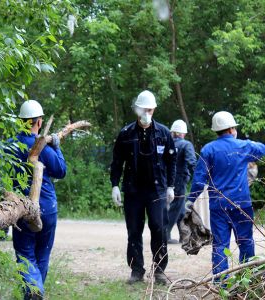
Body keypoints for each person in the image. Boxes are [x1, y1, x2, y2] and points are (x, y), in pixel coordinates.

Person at [186, 111, 265, 279]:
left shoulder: (208, 150)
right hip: (241, 204)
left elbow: (199, 181)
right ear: (230, 129)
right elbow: (262, 149)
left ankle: (221, 284)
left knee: (220, 245)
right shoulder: (244, 146)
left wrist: (190, 200)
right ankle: (247, 279)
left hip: (218, 206)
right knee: (246, 242)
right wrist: (248, 143)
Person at [110, 90, 177, 285]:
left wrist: (171, 186)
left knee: (159, 228)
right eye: (144, 109)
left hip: (157, 190)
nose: (147, 113)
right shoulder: (126, 134)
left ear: (154, 109)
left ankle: (159, 270)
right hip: (133, 191)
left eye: (150, 109)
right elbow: (116, 162)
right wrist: (115, 185)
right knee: (134, 230)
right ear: (137, 110)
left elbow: (171, 161)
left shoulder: (164, 133)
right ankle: (136, 270)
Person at [10, 100, 66, 299]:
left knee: (25, 254)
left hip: (20, 208)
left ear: (20, 121)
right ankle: (35, 291)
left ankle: (34, 292)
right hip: (47, 207)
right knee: (42, 253)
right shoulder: (44, 148)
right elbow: (61, 171)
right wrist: (56, 147)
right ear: (39, 123)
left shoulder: (9, 146)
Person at [167, 120, 196, 244]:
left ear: (173, 132)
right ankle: (164, 233)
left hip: (166, 180)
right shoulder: (186, 145)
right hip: (179, 181)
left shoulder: (166, 143)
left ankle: (184, 235)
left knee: (181, 209)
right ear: (183, 133)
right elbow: (192, 162)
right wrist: (201, 177)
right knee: (176, 207)